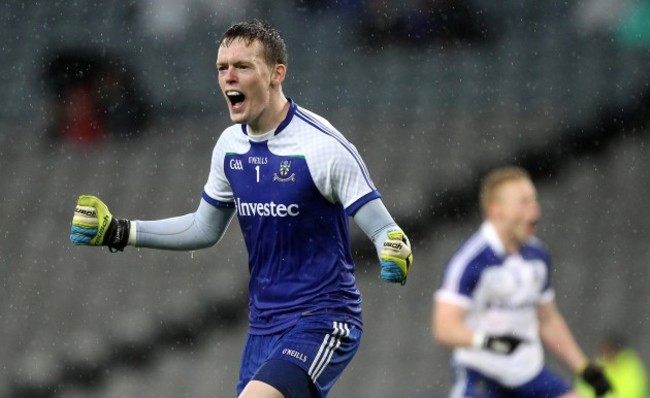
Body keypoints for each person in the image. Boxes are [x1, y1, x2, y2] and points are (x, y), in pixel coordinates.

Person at [69, 20, 413, 398]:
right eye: (222, 68)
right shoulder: (230, 146)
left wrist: (392, 248)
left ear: (276, 73)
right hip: (263, 328)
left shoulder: (322, 147)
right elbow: (203, 228)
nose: (229, 77)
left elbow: (385, 231)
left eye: (243, 66)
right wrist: (119, 231)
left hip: (323, 320)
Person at [432, 166, 611, 398]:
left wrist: (584, 368)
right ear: (497, 210)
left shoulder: (538, 256)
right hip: (482, 375)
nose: (534, 210)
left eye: (534, 201)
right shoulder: (471, 260)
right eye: (524, 202)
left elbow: (547, 320)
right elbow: (444, 327)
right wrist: (488, 341)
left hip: (529, 375)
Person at [575, 333, 648, 398]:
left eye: (609, 350)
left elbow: (634, 391)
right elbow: (582, 389)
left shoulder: (630, 367)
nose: (606, 353)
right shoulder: (596, 366)